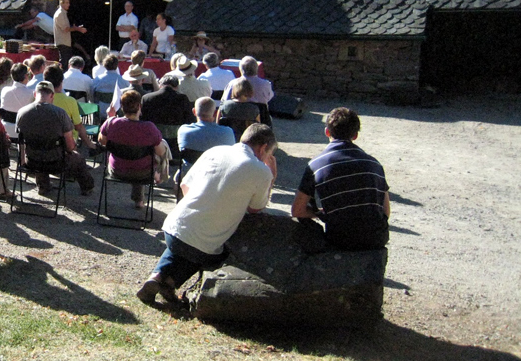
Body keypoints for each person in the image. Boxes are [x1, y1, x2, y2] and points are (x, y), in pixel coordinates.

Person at [137, 123, 277, 305]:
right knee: (211, 249)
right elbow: (256, 208)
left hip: (174, 228)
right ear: (264, 147)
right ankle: (170, 282)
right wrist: (271, 177)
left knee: (186, 240)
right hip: (204, 246)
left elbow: (185, 185)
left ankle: (157, 277)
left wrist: (205, 205)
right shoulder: (261, 171)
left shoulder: (215, 151)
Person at [291, 108, 390, 250]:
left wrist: (321, 213)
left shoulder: (316, 165)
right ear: (355, 135)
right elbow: (386, 211)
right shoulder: (374, 164)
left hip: (340, 239)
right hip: (376, 238)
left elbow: (297, 210)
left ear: (327, 132)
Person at [16, 81, 94, 196]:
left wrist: (22, 160)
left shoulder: (22, 112)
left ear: (34, 94)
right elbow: (70, 145)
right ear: (52, 95)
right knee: (78, 158)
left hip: (32, 161)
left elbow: (20, 141)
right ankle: (87, 187)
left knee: (39, 150)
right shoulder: (60, 113)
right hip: (56, 162)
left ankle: (43, 186)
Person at [99, 90, 166, 208]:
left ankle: (140, 197)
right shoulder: (149, 128)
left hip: (117, 170)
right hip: (143, 173)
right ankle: (157, 177)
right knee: (151, 154)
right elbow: (161, 152)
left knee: (134, 157)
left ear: (122, 107)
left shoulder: (111, 123)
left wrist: (110, 118)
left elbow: (102, 141)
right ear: (139, 107)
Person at [177, 97, 235, 180]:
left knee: (178, 178)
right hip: (217, 177)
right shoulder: (228, 132)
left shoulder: (183, 130)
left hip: (190, 176)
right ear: (215, 113)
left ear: (194, 112)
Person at [43, 65, 96, 152]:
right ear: (61, 81)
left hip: (44, 141)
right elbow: (78, 126)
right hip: (66, 143)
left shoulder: (38, 99)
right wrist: (89, 143)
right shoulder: (70, 101)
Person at [0, 63, 35, 138]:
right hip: (23, 129)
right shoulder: (31, 93)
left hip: (6, 128)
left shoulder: (4, 90)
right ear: (25, 76)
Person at [54, 0, 87, 69]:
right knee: (64, 63)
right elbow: (65, 29)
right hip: (63, 42)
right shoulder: (60, 14)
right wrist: (77, 29)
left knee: (67, 62)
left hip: (66, 42)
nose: (69, 4)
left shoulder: (63, 13)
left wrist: (76, 28)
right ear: (61, 3)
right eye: (66, 3)